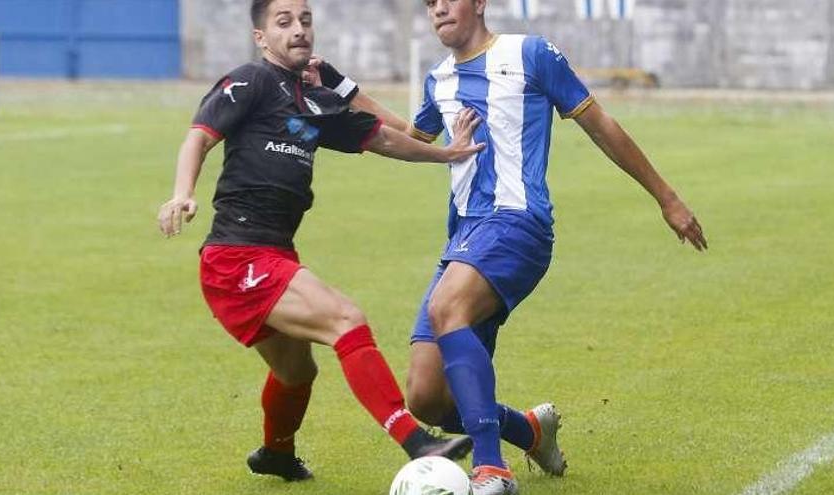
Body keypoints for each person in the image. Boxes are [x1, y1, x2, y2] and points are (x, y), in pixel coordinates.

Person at [315, 0, 708, 493]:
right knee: (426, 398)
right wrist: (341, 87)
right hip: (465, 238)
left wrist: (666, 197)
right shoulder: (438, 79)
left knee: (446, 306)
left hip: (518, 224)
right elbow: (414, 137)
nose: (437, 9)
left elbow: (601, 124)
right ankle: (530, 430)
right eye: (429, 2)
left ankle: (491, 469)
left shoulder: (531, 54)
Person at [156, 0, 486, 483]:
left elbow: (390, 138)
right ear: (261, 37)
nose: (298, 30)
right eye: (284, 22)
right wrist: (182, 194)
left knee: (296, 373)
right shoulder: (249, 82)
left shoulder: (315, 101)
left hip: (272, 253)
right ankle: (417, 441)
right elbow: (199, 137)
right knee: (346, 319)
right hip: (237, 256)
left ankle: (275, 454)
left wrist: (446, 154)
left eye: (305, 21)